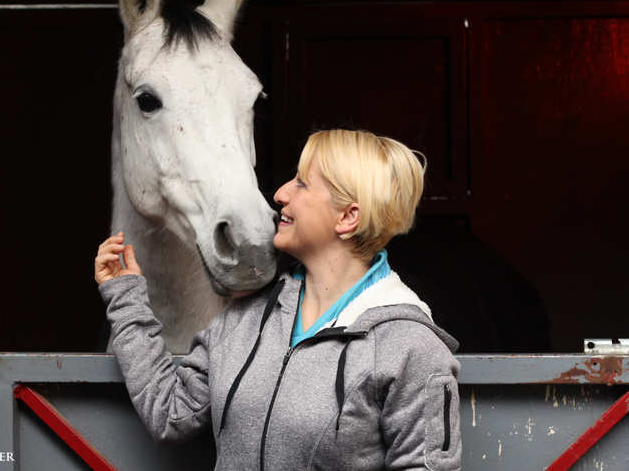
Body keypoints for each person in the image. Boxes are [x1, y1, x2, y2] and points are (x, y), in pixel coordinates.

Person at [95, 129, 461, 470]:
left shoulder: (409, 346)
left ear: (348, 217)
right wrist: (127, 299)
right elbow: (170, 413)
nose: (281, 193)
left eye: (302, 183)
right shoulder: (245, 319)